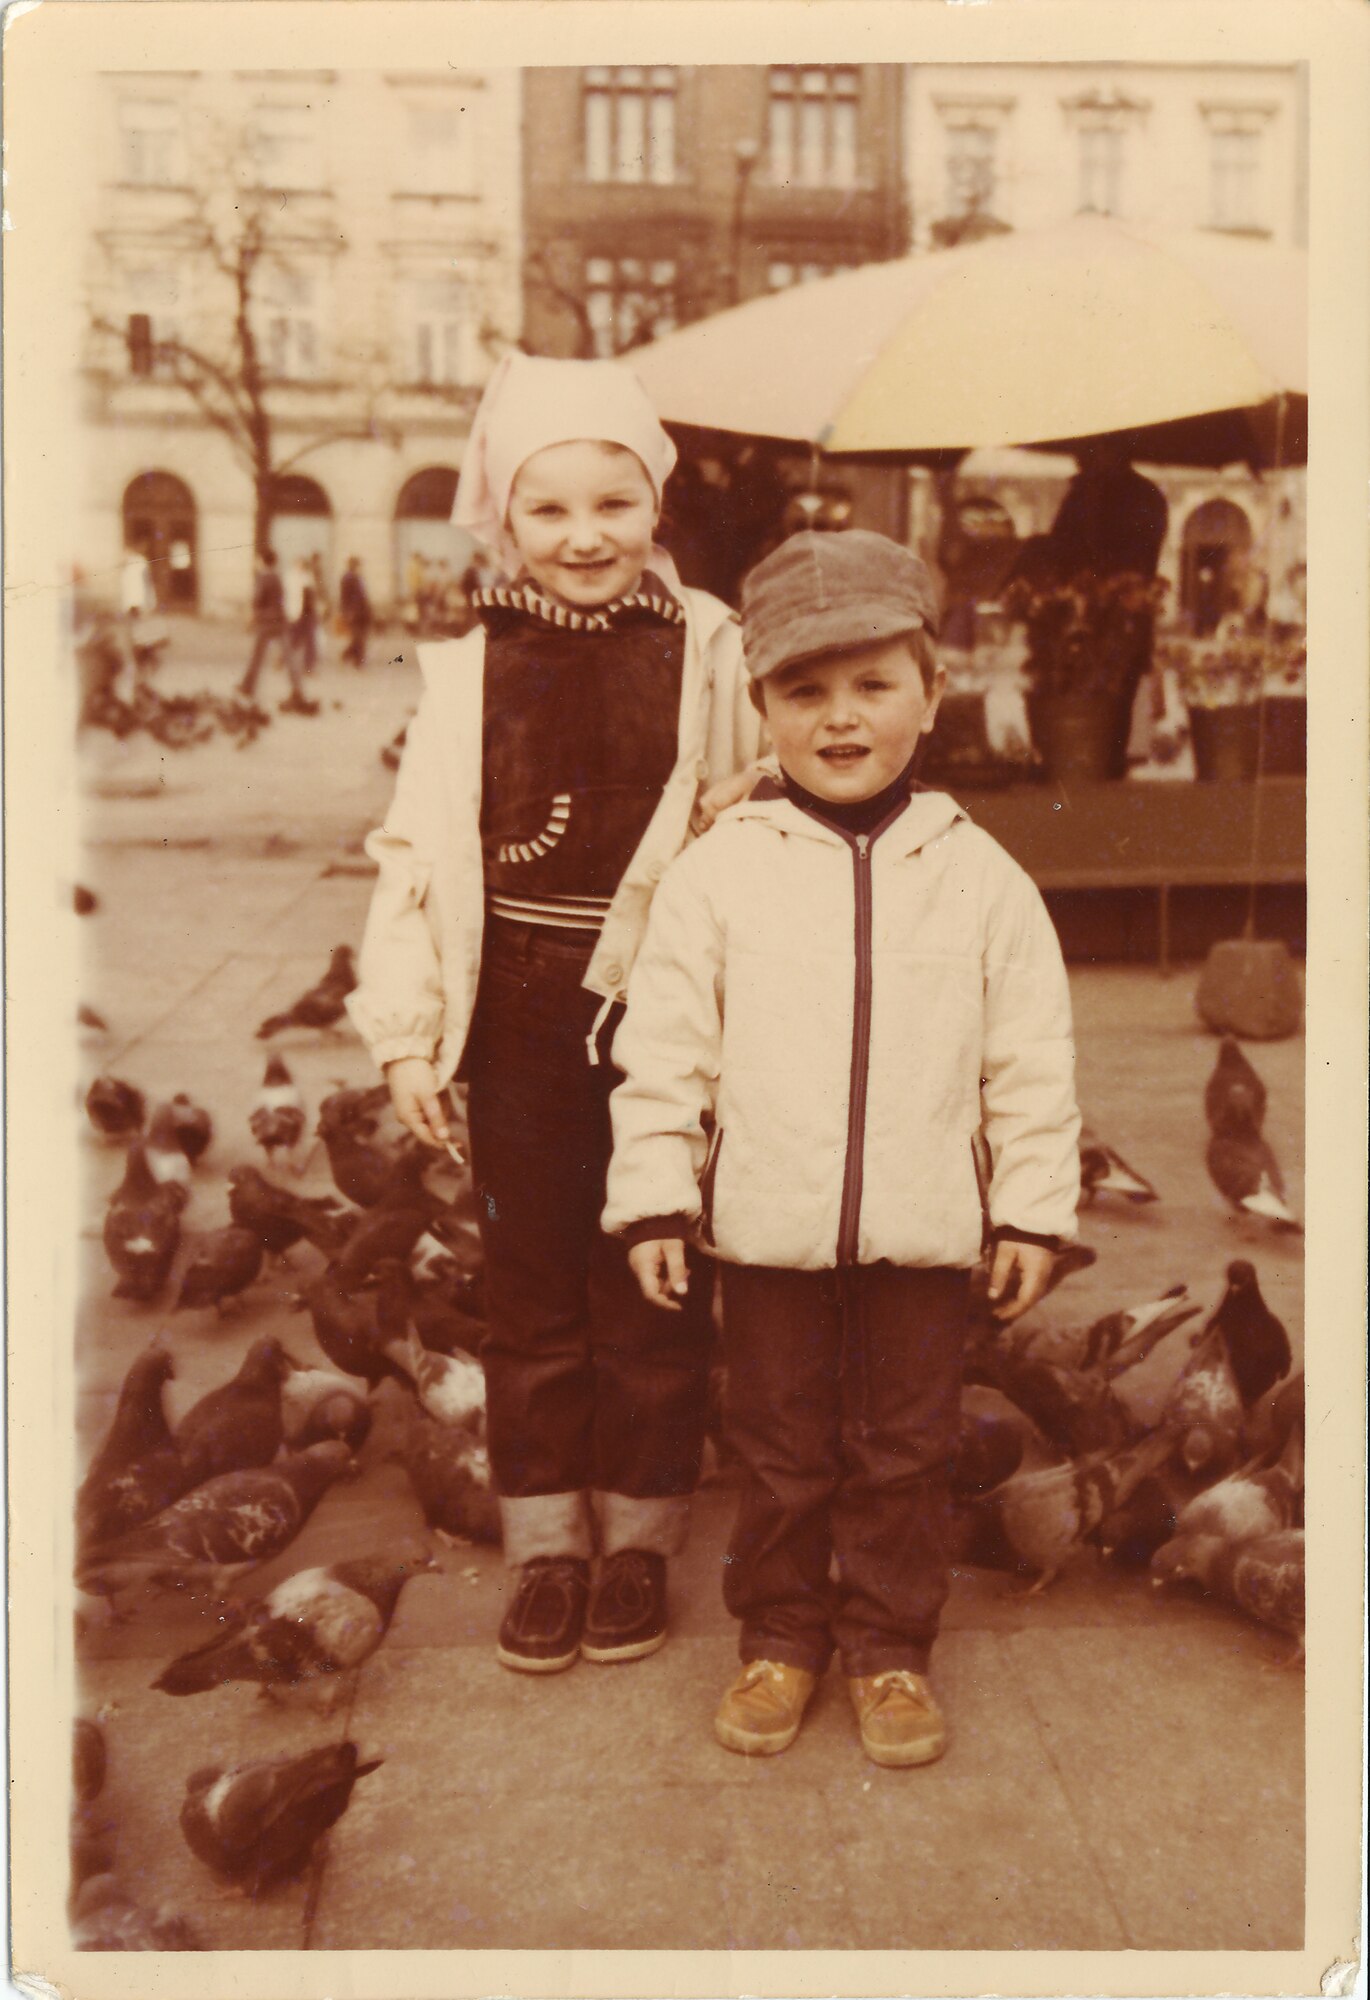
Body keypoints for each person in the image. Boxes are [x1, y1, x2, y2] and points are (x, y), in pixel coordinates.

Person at [604, 529, 1081, 1769]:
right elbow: (663, 1050)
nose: (839, 718)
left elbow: (1028, 1060)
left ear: (932, 689)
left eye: (872, 684)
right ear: (758, 703)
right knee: (776, 1444)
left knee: (904, 1446)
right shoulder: (718, 876)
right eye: (802, 690)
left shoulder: (981, 880)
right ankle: (777, 1634)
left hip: (924, 1233)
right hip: (766, 1229)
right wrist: (656, 1195)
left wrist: (1029, 1211)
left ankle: (887, 1645)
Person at [346, 352, 763, 1677]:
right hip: (517, 1017)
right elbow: (414, 855)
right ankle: (545, 1546)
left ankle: (637, 1534)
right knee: (528, 1290)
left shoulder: (708, 648)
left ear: (657, 505)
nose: (585, 536)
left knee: (652, 1270)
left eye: (615, 502)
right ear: (500, 517)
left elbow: (759, 793)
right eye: (549, 510)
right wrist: (407, 1033)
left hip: (665, 1013)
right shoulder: (467, 669)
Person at [237, 548, 316, 713]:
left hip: (265, 623)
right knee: (289, 658)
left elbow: (257, 600)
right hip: (280, 622)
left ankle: (247, 687)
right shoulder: (278, 578)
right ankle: (297, 690)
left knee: (257, 657)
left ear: (262, 561)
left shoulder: (263, 578)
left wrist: (252, 617)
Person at [338, 555, 372, 668]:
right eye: (358, 565)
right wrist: (347, 612)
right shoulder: (347, 578)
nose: (359, 567)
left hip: (363, 612)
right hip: (353, 612)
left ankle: (348, 655)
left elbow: (363, 596)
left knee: (360, 637)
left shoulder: (359, 578)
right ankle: (357, 660)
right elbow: (344, 597)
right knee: (358, 637)